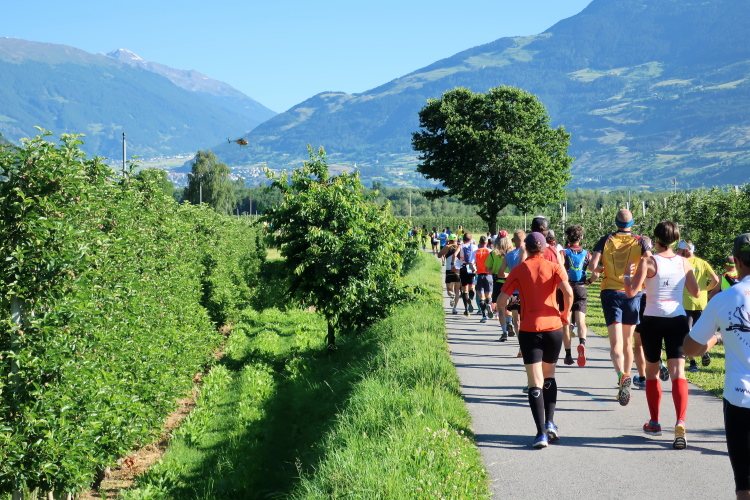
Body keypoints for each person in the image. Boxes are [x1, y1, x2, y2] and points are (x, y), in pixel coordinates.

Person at [684, 233, 750, 499]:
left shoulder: (723, 299)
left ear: (737, 261)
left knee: (744, 484)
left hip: (740, 397)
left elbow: (690, 348)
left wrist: (716, 338)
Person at [624, 221, 699, 449]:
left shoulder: (648, 261)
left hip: (653, 320)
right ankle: (680, 422)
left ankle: (655, 423)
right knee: (678, 372)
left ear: (655, 239)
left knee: (652, 372)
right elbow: (695, 292)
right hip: (677, 319)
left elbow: (631, 292)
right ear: (675, 239)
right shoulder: (684, 262)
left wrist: (627, 276)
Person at [496, 232, 573, 448]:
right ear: (544, 247)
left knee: (534, 381)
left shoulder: (519, 270)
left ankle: (541, 434)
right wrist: (565, 314)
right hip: (554, 328)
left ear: (526, 248)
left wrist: (510, 303)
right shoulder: (554, 266)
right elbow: (568, 292)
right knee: (549, 376)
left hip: (530, 329)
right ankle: (550, 423)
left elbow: (501, 301)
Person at [588, 209, 652, 406]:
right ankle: (627, 378)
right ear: (632, 223)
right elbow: (650, 263)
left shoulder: (606, 240)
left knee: (615, 344)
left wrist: (602, 269)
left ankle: (621, 376)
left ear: (615, 222)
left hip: (611, 293)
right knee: (627, 343)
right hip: (633, 293)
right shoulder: (641, 241)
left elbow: (592, 265)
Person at [677, 240, 719, 373]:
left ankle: (693, 363)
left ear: (686, 250)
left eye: (679, 250)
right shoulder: (703, 263)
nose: (677, 252)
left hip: (686, 302)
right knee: (702, 331)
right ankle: (704, 350)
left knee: (686, 333)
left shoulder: (681, 262)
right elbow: (716, 280)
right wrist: (706, 289)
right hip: (702, 302)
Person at [561, 225, 597, 367]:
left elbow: (559, 270)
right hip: (581, 288)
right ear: (581, 238)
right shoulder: (587, 254)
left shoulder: (563, 253)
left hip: (567, 289)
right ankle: (582, 343)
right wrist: (589, 281)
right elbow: (596, 273)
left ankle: (568, 355)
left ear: (567, 237)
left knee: (566, 321)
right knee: (581, 321)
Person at [496, 230, 525, 342]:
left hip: (513, 292)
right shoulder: (529, 253)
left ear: (514, 240)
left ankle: (521, 344)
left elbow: (500, 273)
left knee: (516, 320)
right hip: (526, 291)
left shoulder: (509, 255)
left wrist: (510, 275)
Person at [439, 234, 462, 314]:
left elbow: (439, 255)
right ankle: (454, 308)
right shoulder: (460, 247)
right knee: (457, 290)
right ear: (456, 240)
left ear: (449, 240)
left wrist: (444, 251)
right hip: (458, 270)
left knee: (449, 290)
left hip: (449, 270)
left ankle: (451, 295)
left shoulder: (446, 247)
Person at [474, 235, 493, 322]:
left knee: (481, 297)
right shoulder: (490, 251)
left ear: (479, 242)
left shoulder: (476, 251)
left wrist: (474, 269)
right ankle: (488, 303)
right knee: (488, 295)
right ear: (487, 243)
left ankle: (484, 316)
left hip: (480, 275)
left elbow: (472, 263)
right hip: (489, 275)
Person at [459, 233, 478, 317]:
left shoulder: (461, 246)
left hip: (463, 268)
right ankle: (470, 298)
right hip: (472, 268)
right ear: (471, 239)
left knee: (464, 290)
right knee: (472, 287)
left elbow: (456, 256)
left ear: (463, 239)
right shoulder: (475, 247)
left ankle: (466, 309)